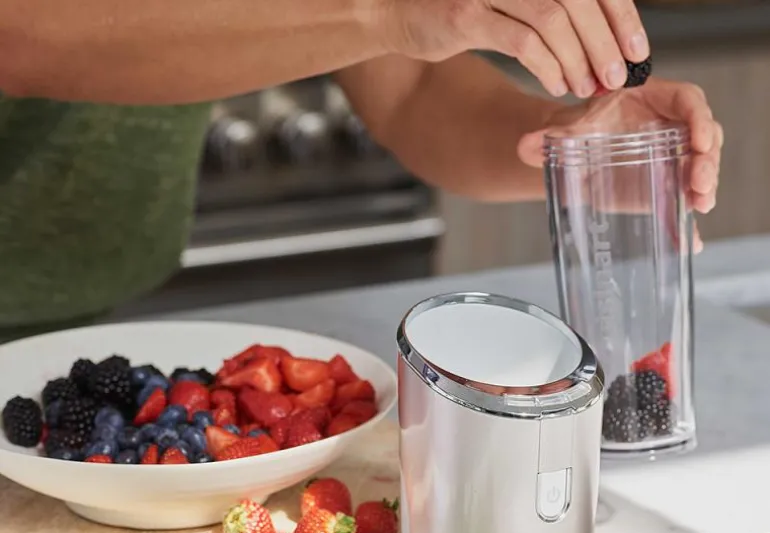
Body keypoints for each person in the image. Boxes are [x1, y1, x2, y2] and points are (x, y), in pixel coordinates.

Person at [0, 0, 721, 339]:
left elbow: (412, 89)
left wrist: (578, 149)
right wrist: (385, 11)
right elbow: (18, 33)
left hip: (73, 330)